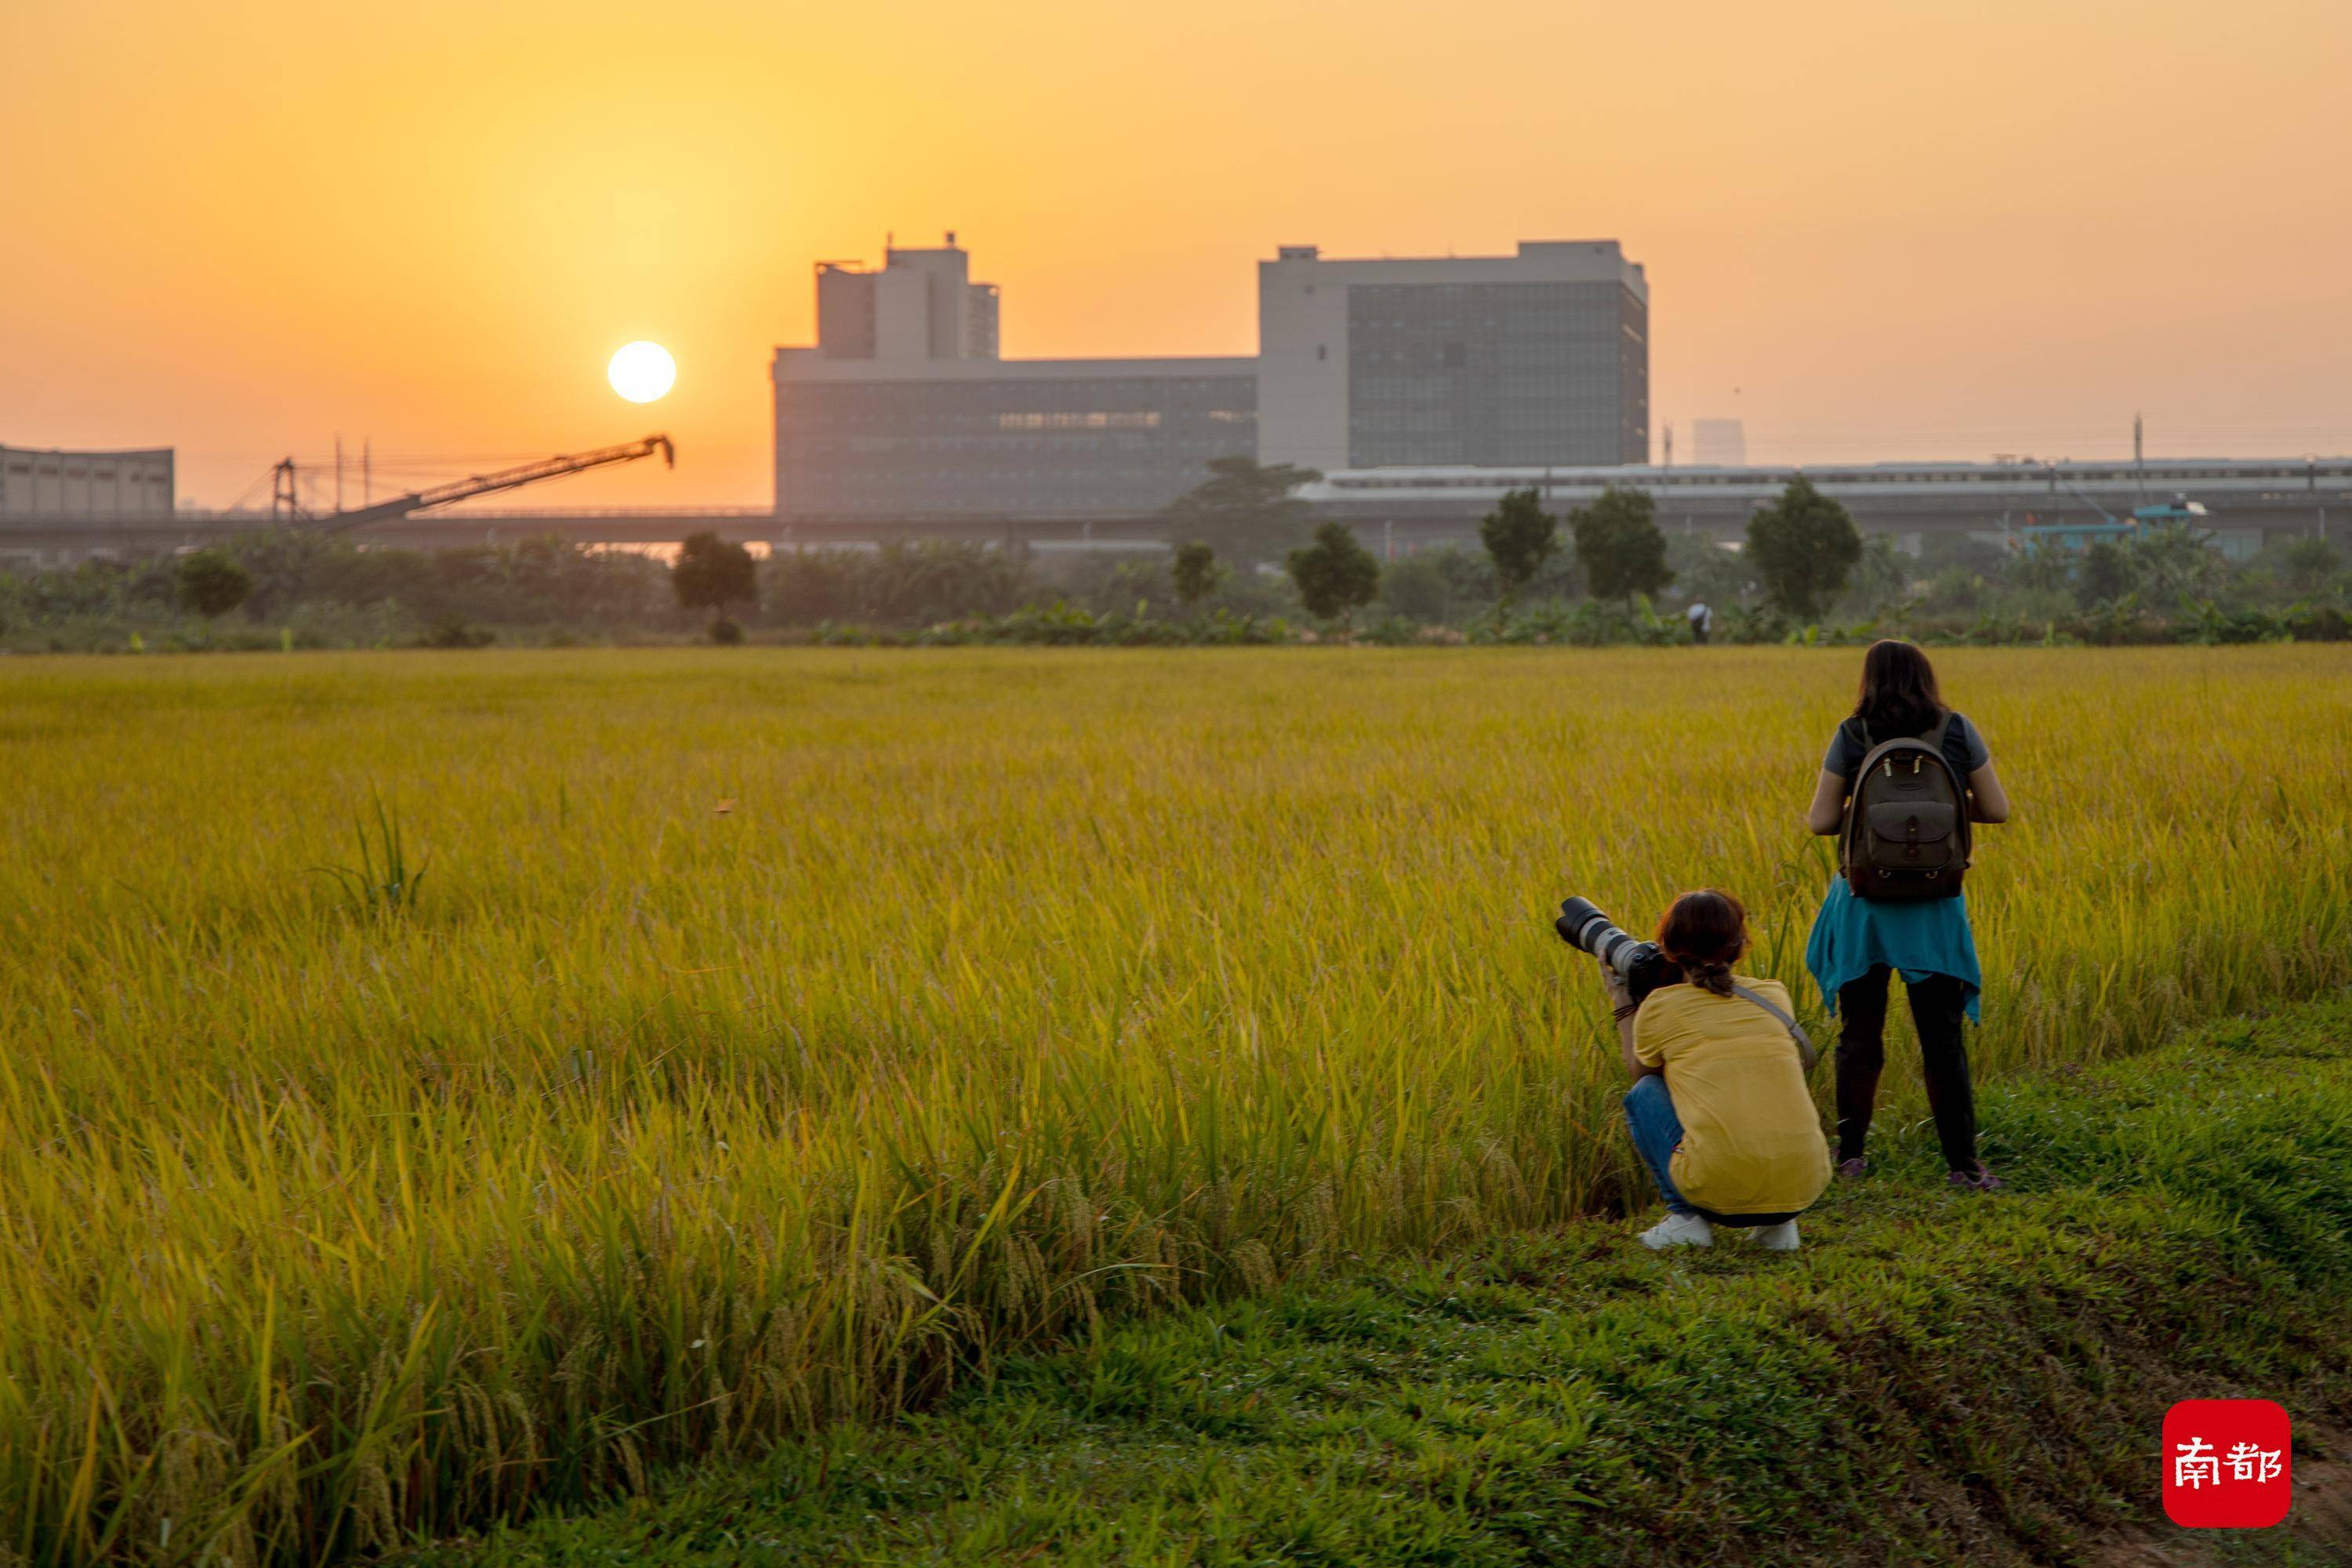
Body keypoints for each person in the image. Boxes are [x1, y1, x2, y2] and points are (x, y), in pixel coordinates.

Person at [1802, 639, 2013, 1191]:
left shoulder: (1852, 734)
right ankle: (1964, 1168)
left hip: (1864, 903)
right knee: (1943, 1041)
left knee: (1860, 1036)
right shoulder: (1957, 730)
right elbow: (1997, 809)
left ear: (1868, 679)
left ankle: (1850, 1158)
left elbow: (1821, 821)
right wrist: (1935, 814)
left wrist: (1875, 815)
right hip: (1934, 908)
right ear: (1926, 676)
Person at [1606, 889, 1831, 1250]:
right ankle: (1780, 1227)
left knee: (1645, 1094)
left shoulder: (1662, 1006)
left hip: (1718, 1192)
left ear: (1667, 947)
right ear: (1741, 944)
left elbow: (1641, 1073)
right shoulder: (1774, 995)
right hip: (1804, 1185)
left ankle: (1686, 1219)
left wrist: (1621, 1000)